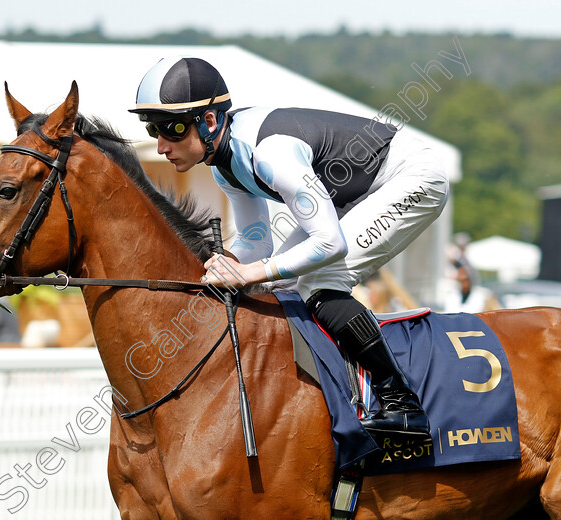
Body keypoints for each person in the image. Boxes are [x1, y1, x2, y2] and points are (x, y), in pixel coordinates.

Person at [130, 57, 450, 437]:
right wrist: (229, 262)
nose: (162, 144)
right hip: (354, 192)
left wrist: (251, 272)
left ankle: (402, 402)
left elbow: (329, 244)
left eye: (172, 128)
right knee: (281, 282)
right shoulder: (223, 164)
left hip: (410, 177)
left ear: (210, 121)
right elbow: (256, 240)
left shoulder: (270, 154)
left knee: (318, 282)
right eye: (154, 130)